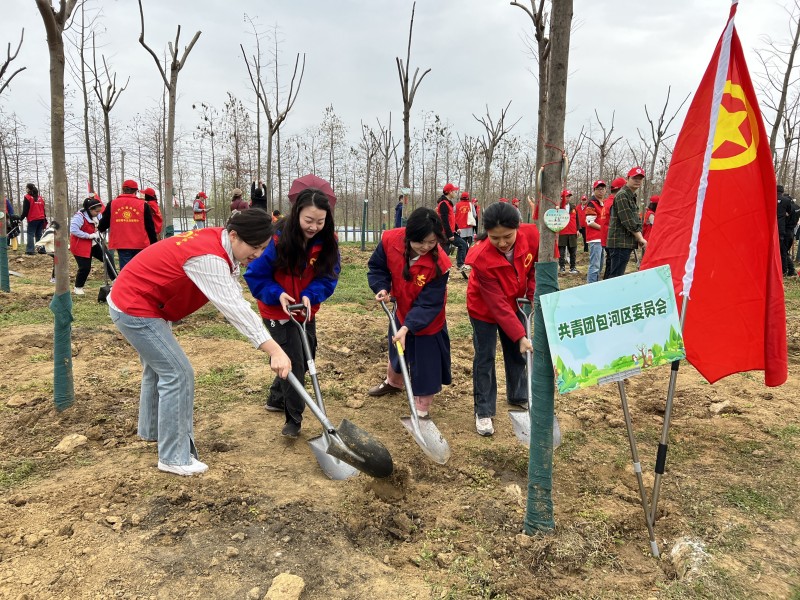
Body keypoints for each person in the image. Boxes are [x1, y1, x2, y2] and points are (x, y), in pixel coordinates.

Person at [107, 209, 291, 476]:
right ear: (235, 235)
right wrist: (274, 349)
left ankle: (153, 431)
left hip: (143, 300)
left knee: (158, 369)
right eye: (255, 247)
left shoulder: (218, 242)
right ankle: (173, 457)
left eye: (264, 248)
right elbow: (234, 308)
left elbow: (232, 292)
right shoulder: (209, 257)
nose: (258, 254)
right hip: (134, 307)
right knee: (178, 373)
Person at [244, 181, 340, 439]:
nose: (314, 226)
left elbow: (329, 276)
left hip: (305, 309)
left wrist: (311, 294)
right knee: (295, 362)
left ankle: (277, 397)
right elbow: (255, 275)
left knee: (309, 355)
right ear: (297, 213)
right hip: (277, 310)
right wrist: (277, 294)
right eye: (309, 220)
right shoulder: (275, 238)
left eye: (320, 221)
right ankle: (293, 420)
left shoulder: (327, 240)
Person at [366, 207, 451, 417]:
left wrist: (408, 327)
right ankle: (394, 383)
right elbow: (377, 267)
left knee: (425, 362)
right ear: (409, 236)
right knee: (397, 350)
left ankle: (421, 409)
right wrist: (382, 287)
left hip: (428, 319)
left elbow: (429, 303)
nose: (425, 247)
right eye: (420, 242)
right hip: (401, 307)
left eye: (432, 242)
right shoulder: (390, 241)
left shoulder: (440, 263)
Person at [464, 201, 538, 436]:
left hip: (515, 300)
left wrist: (532, 294)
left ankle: (518, 395)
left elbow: (536, 268)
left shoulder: (533, 237)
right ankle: (484, 411)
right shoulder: (481, 257)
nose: (503, 243)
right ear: (487, 234)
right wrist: (520, 335)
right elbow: (496, 304)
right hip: (484, 309)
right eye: (496, 238)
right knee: (485, 356)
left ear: (517, 227)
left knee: (517, 352)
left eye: (507, 236)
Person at [98, 179, 157, 270]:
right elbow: (150, 226)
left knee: (126, 269)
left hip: (122, 243)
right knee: (139, 268)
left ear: (123, 189)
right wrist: (154, 242)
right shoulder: (143, 205)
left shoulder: (113, 203)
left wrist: (100, 228)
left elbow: (104, 221)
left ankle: (126, 283)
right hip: (140, 243)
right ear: (136, 191)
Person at [605, 167, 647, 279]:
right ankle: (611, 296)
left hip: (624, 242)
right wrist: (640, 238)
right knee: (616, 277)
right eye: (635, 178)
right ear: (628, 178)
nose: (638, 180)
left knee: (614, 275)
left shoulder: (630, 196)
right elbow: (628, 220)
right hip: (620, 243)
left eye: (640, 178)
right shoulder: (622, 195)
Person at [69, 197, 116, 295]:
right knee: (85, 267)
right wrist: (88, 235)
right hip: (80, 245)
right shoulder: (79, 216)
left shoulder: (97, 216)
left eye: (99, 211)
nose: (98, 213)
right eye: (96, 211)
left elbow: (100, 225)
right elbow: (73, 230)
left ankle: (115, 280)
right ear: (89, 209)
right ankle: (78, 287)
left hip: (95, 244)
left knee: (108, 258)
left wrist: (99, 232)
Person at [437, 182, 469, 272]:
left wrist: (457, 227)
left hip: (450, 232)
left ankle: (460, 264)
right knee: (444, 253)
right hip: (445, 233)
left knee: (462, 244)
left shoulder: (448, 203)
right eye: (454, 191)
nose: (455, 193)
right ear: (450, 192)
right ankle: (442, 271)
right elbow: (444, 221)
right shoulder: (443, 204)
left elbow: (451, 218)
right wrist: (450, 234)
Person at [600, 177, 626, 280]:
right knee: (613, 269)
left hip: (607, 238)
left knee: (610, 265)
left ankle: (606, 284)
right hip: (612, 239)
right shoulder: (613, 203)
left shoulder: (607, 201)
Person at [585, 180, 606, 283]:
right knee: (595, 264)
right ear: (594, 190)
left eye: (602, 189)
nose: (601, 191)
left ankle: (596, 282)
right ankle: (591, 285)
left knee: (601, 263)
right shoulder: (592, 203)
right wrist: (604, 229)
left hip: (602, 238)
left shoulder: (604, 203)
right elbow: (590, 222)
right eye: (598, 189)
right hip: (595, 238)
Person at [21, 183, 47, 255]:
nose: (26, 189)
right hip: (41, 218)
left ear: (29, 189)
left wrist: (20, 219)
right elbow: (43, 209)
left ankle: (30, 250)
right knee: (39, 234)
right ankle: (41, 249)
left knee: (30, 234)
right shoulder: (40, 198)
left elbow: (25, 211)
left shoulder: (27, 197)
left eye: (26, 188)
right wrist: (45, 218)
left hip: (33, 219)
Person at [777, 184, 797, 277]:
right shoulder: (789, 204)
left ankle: (786, 270)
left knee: (783, 251)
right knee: (783, 251)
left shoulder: (771, 199)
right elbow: (789, 213)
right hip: (786, 230)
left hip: (781, 229)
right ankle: (789, 270)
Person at [557, 190, 579, 274]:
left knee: (573, 251)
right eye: (566, 196)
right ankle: (562, 267)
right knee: (561, 252)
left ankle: (572, 267)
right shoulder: (558, 207)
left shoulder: (573, 207)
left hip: (572, 232)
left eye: (569, 196)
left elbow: (577, 219)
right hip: (562, 232)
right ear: (562, 197)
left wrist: (577, 229)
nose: (568, 198)